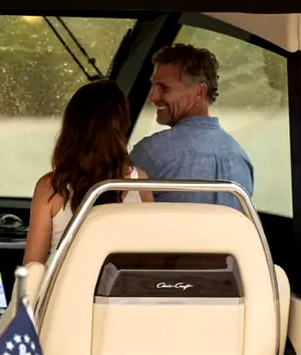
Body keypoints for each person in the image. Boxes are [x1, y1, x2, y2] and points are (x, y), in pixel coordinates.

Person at [23, 80, 153, 266]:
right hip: (122, 286)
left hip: (69, 286)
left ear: (71, 127)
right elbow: (148, 256)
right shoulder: (139, 182)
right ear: (121, 126)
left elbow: (33, 267)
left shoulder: (51, 187)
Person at [130, 43, 254, 210]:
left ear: (199, 92)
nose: (153, 97)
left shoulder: (151, 153)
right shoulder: (240, 159)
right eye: (153, 86)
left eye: (163, 88)